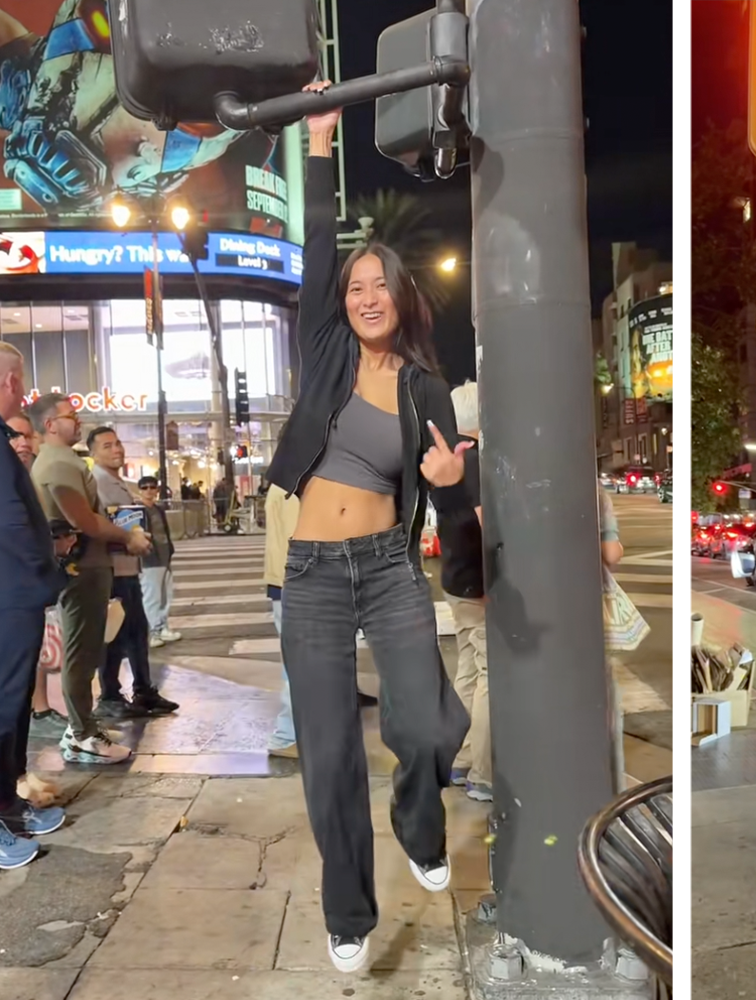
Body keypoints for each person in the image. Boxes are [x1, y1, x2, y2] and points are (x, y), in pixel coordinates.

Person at [266, 81, 475, 974]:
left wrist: (453, 482)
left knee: (426, 728)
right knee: (328, 759)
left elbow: (457, 504)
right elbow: (316, 246)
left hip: (390, 564)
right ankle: (348, 910)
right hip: (312, 570)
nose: (362, 296)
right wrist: (320, 142)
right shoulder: (323, 353)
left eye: (377, 284)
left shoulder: (428, 388)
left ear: (402, 296)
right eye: (353, 286)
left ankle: (420, 824)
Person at [27, 393, 146, 764]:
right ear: (49, 424)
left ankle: (82, 725)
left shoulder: (64, 461)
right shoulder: (59, 465)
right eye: (70, 415)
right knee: (81, 654)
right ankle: (82, 734)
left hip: (89, 566)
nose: (78, 421)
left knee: (88, 650)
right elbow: (84, 520)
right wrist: (128, 537)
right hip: (81, 570)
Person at [0, 344, 71, 870]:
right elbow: (13, 526)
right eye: (18, 380)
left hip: (19, 594)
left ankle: (7, 804)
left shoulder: (0, 442)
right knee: (5, 706)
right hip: (12, 595)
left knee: (17, 703)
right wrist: (48, 576)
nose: (22, 390)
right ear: (7, 379)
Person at [87, 427, 179, 719]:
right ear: (93, 453)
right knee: (116, 634)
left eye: (118, 444)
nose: (116, 450)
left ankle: (143, 689)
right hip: (114, 569)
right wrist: (129, 539)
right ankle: (111, 695)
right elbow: (100, 525)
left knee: (137, 630)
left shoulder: (119, 483)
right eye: (107, 446)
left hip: (128, 567)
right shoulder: (97, 483)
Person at [438, 382, 490, 802]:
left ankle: (459, 758)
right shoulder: (472, 462)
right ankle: (484, 773)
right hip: (479, 582)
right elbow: (483, 522)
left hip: (455, 579)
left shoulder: (445, 461)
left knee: (468, 670)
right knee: (490, 675)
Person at [10, 414, 71, 740]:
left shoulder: (28, 476)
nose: (22, 443)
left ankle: (40, 708)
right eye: (14, 436)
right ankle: (38, 710)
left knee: (38, 650)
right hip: (18, 585)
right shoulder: (9, 479)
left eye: (26, 436)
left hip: (36, 581)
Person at [264, 483, 302, 758]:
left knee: (299, 664)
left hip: (291, 582)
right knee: (300, 665)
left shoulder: (288, 479)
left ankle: (290, 734)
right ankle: (287, 735)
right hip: (297, 584)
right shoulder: (294, 483)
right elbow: (299, 538)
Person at [135, 476, 182, 648]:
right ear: (140, 490)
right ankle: (154, 631)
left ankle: (162, 627)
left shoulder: (158, 509)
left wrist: (169, 550)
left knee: (165, 594)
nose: (149, 491)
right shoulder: (138, 510)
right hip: (149, 558)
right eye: (145, 487)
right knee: (152, 596)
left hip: (164, 556)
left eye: (152, 487)